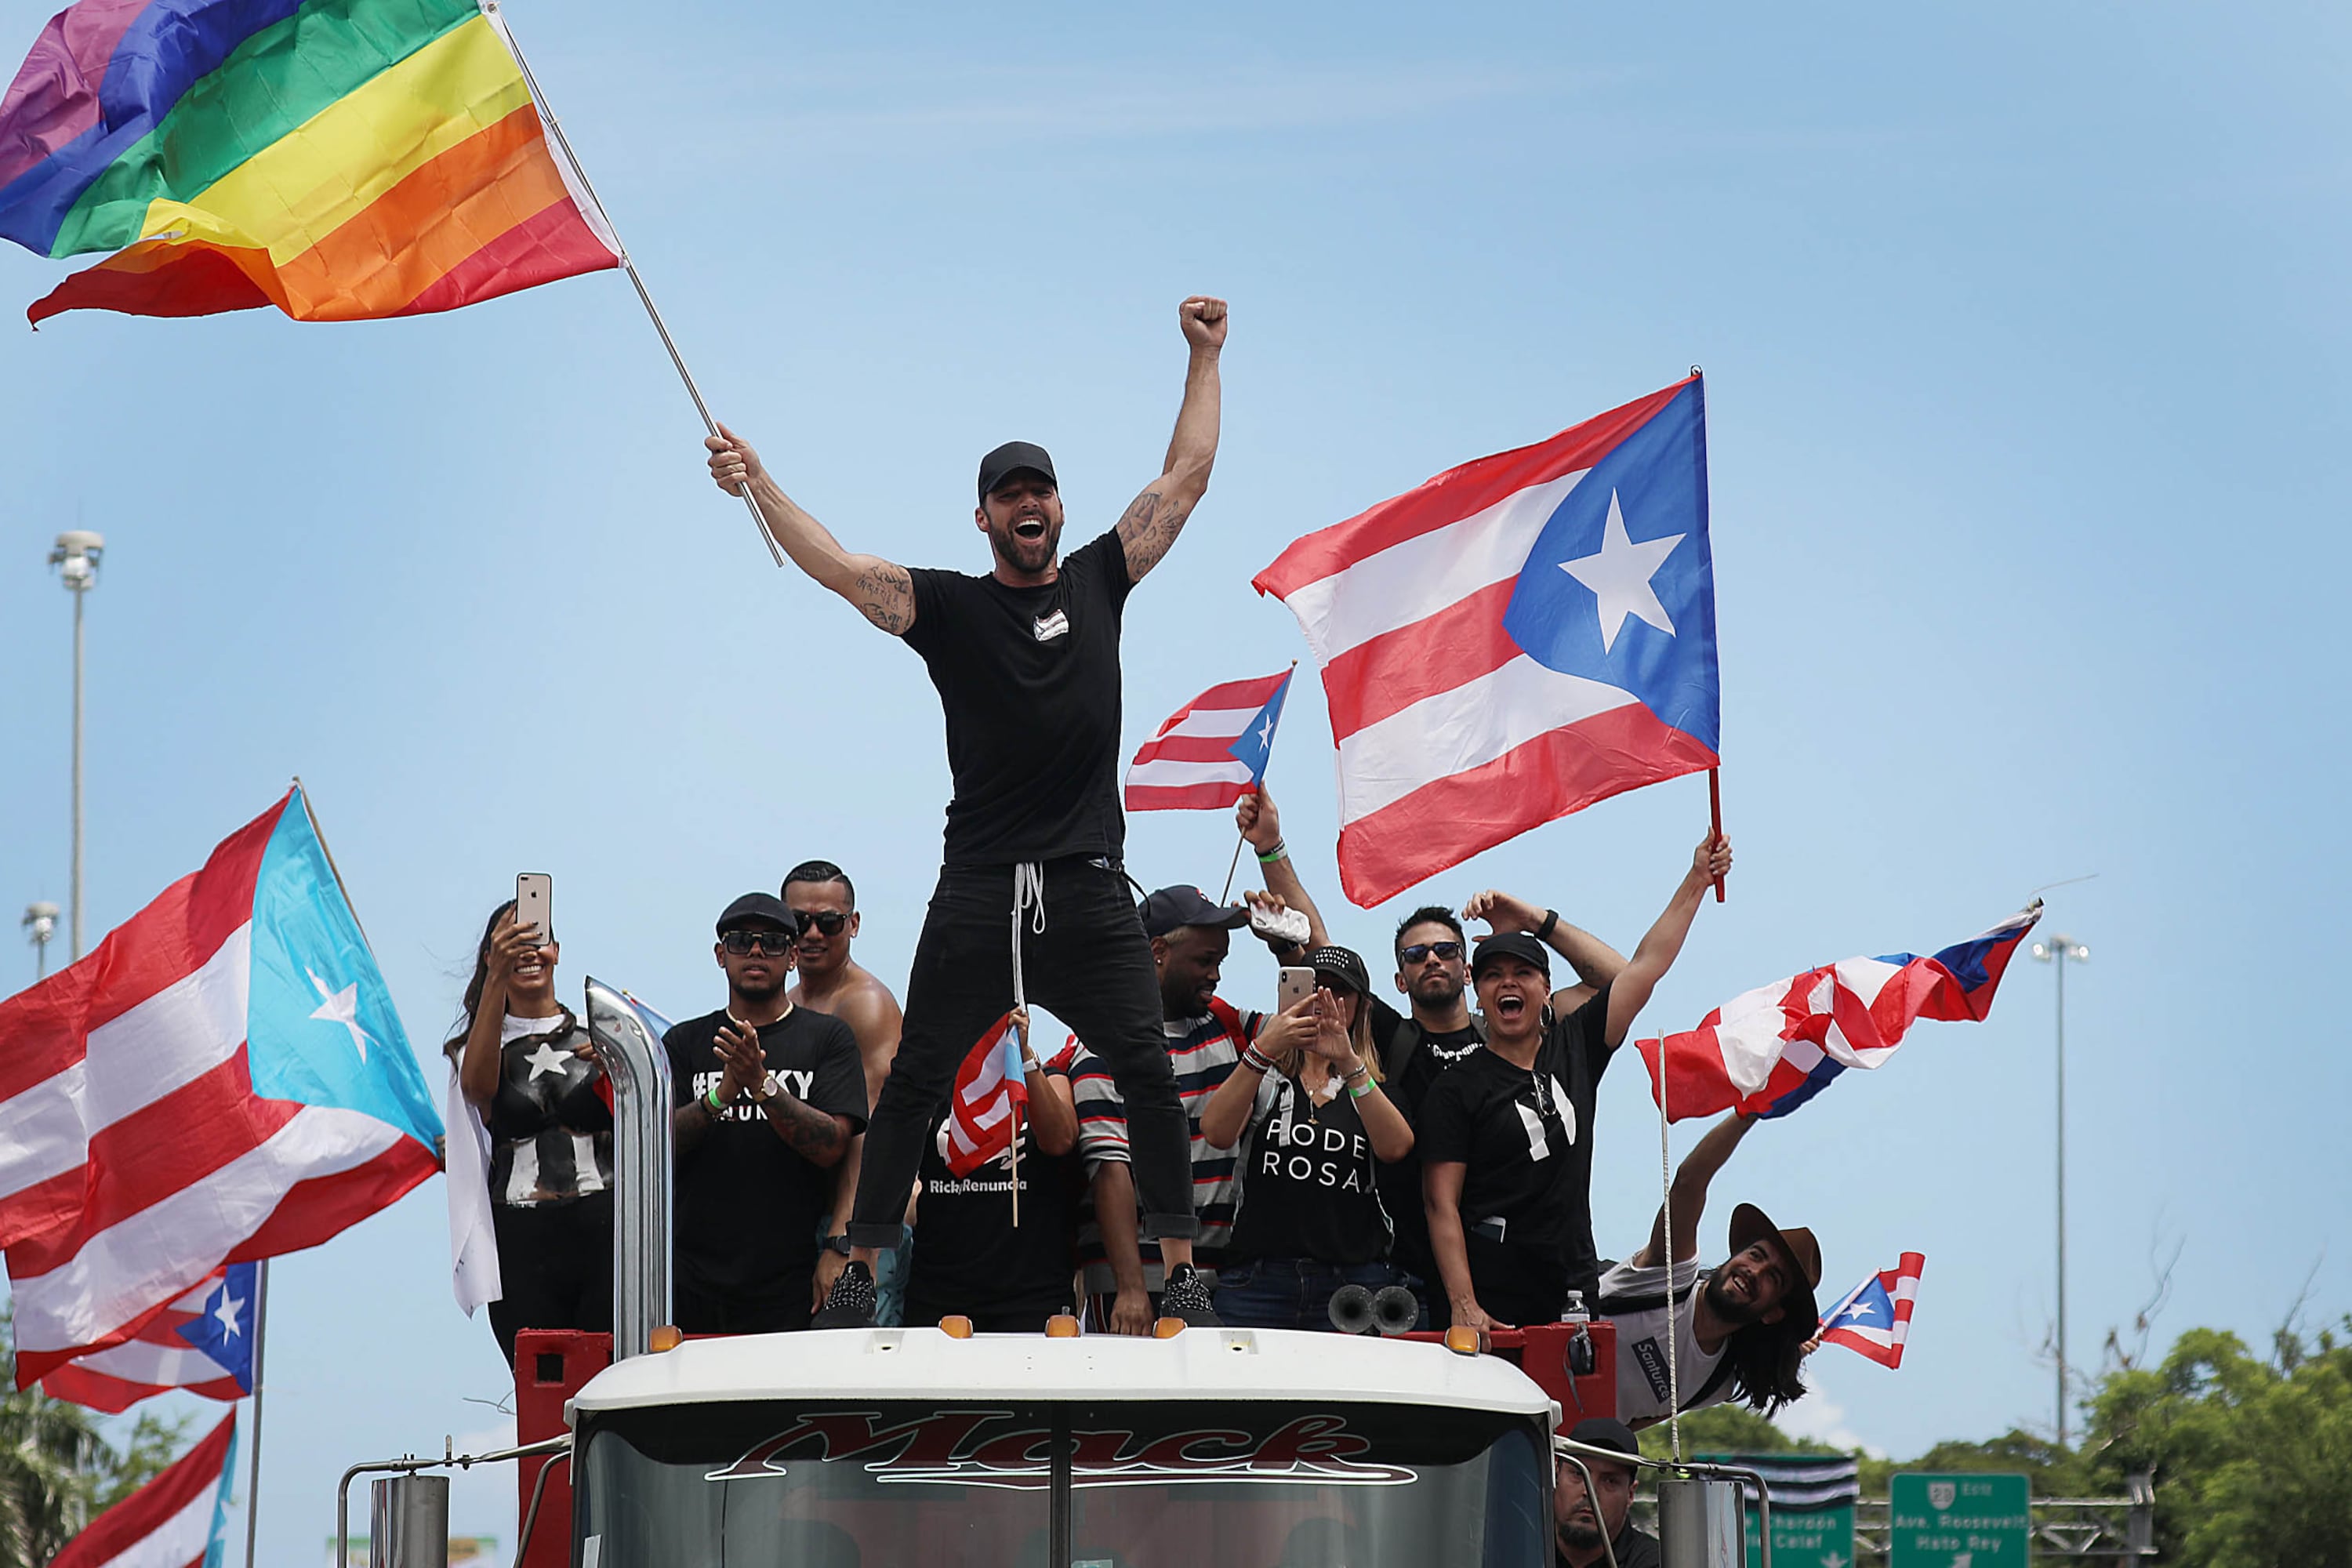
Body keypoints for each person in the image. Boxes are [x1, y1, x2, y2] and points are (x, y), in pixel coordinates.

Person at [705, 296, 1230, 1329]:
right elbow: (839, 567)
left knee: (1146, 1074)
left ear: (1060, 511)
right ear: (984, 517)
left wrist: (1204, 356)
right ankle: (862, 1269)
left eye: (1040, 489)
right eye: (1006, 494)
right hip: (984, 881)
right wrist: (756, 483)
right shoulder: (946, 606)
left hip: (1085, 882)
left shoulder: (1100, 578)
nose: (1026, 503)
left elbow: (1186, 481)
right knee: (914, 1086)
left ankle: (1182, 1274)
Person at [1239, 789, 1623, 1313]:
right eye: (1416, 956)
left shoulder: (1517, 1032)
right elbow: (1316, 947)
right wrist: (1270, 849)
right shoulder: (1390, 1038)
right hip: (1414, 1270)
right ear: (1400, 979)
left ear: (1469, 969)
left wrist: (1531, 920)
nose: (1433, 961)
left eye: (1447, 951)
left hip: (1531, 1263)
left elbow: (1614, 982)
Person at [1420, 833, 1734, 1332]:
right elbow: (1441, 1204)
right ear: (1477, 993)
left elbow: (1644, 967)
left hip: (1571, 1286)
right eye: (1493, 974)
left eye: (1523, 972)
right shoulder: (1456, 1088)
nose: (1508, 983)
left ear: (1547, 990)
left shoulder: (1575, 1047)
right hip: (1491, 1296)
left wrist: (1697, 878)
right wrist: (1463, 1303)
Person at [1068, 883, 1302, 1332]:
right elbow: (1110, 1169)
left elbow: (1317, 1026)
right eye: (1204, 961)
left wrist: (1285, 950)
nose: (1215, 975)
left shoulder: (1226, 1023)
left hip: (1227, 1278)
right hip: (1138, 1282)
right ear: (1158, 951)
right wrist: (1131, 1288)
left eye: (1220, 962)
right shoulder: (1102, 1041)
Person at [665, 894, 869, 1333]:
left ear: (793, 957)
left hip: (792, 1281)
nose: (756, 952)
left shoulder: (828, 1039)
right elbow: (659, 1148)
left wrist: (763, 1085)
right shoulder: (683, 1043)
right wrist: (721, 1096)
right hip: (693, 1280)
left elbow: (833, 1145)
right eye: (741, 941)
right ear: (721, 955)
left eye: (773, 943)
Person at [1197, 946, 1412, 1330]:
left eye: (1339, 992)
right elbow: (1216, 1130)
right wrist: (1265, 1047)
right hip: (1259, 1280)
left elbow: (1396, 1148)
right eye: (1314, 989)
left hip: (1351, 1282)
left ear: (1362, 1007)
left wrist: (1348, 1062)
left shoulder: (1373, 1087)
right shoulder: (1264, 1079)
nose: (1325, 1001)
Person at [446, 899, 610, 1364]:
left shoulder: (600, 1035)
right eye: (510, 942)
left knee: (609, 1374)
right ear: (489, 957)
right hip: (523, 1237)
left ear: (557, 949)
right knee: (543, 1385)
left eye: (536, 938)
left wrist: (615, 1070)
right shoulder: (475, 1047)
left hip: (603, 1230)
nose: (527, 951)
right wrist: (496, 979)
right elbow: (478, 1091)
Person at [1596, 1110, 1820, 1425]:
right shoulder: (1670, 1277)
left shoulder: (1717, 1382)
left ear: (1772, 1313)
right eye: (1756, 1255)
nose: (1754, 1272)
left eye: (1773, 1276)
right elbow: (1690, 1181)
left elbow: (1631, 1424)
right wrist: (1749, 1112)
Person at [902, 1008, 1083, 1331]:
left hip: (1033, 1297)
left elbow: (1061, 1139)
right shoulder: (931, 1084)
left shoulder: (1048, 1074)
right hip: (941, 1297)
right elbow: (896, 1163)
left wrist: (1024, 1058)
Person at [782, 860, 908, 1320]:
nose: (813, 933)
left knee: (851, 1373)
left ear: (853, 925)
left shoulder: (866, 1005)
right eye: (799, 922)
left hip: (855, 1232)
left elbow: (872, 1131)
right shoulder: (790, 1004)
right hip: (803, 1220)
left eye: (829, 922)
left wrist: (844, 1242)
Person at [1554, 1419, 1662, 1568]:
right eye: (1579, 1474)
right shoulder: (1519, 1547)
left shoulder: (1655, 1562)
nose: (1589, 1492)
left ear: (1630, 1495)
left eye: (1610, 1481)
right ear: (1555, 1476)